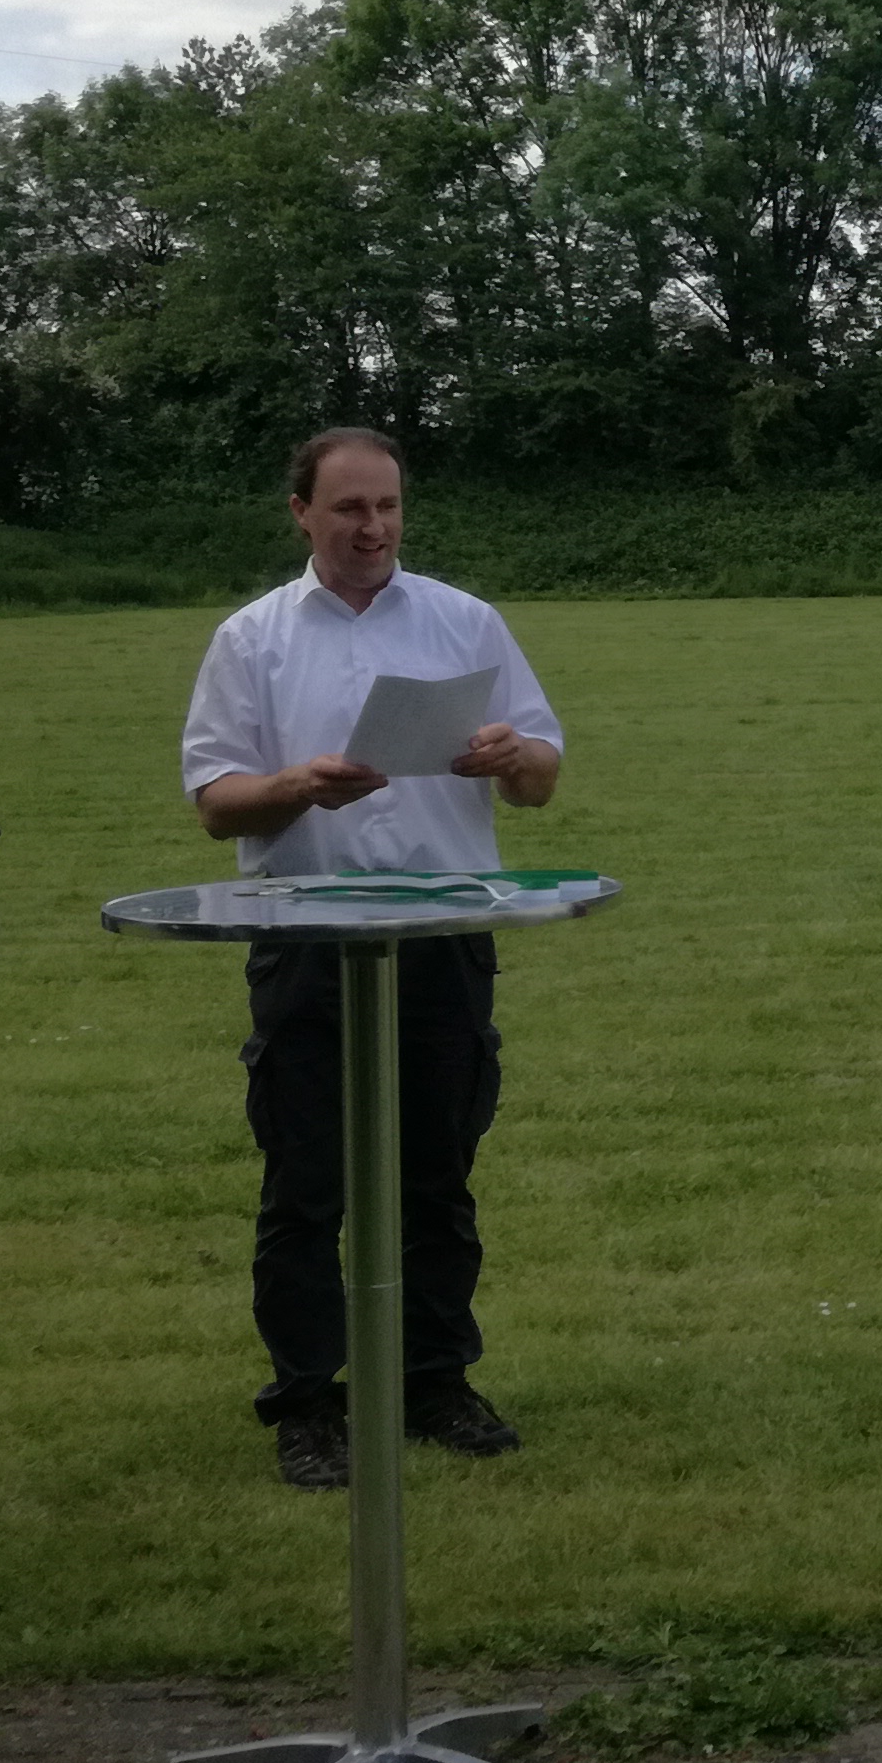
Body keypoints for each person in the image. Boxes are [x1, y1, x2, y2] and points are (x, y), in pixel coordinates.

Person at [180, 427, 563, 1491]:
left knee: (438, 1174)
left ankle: (434, 1381)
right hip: (306, 938)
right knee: (306, 1184)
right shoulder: (252, 639)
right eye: (349, 508)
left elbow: (541, 777)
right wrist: (299, 786)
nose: (373, 527)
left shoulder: (463, 622)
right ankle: (308, 1403)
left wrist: (512, 755)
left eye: (387, 506)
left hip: (442, 936)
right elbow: (215, 802)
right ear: (301, 512)